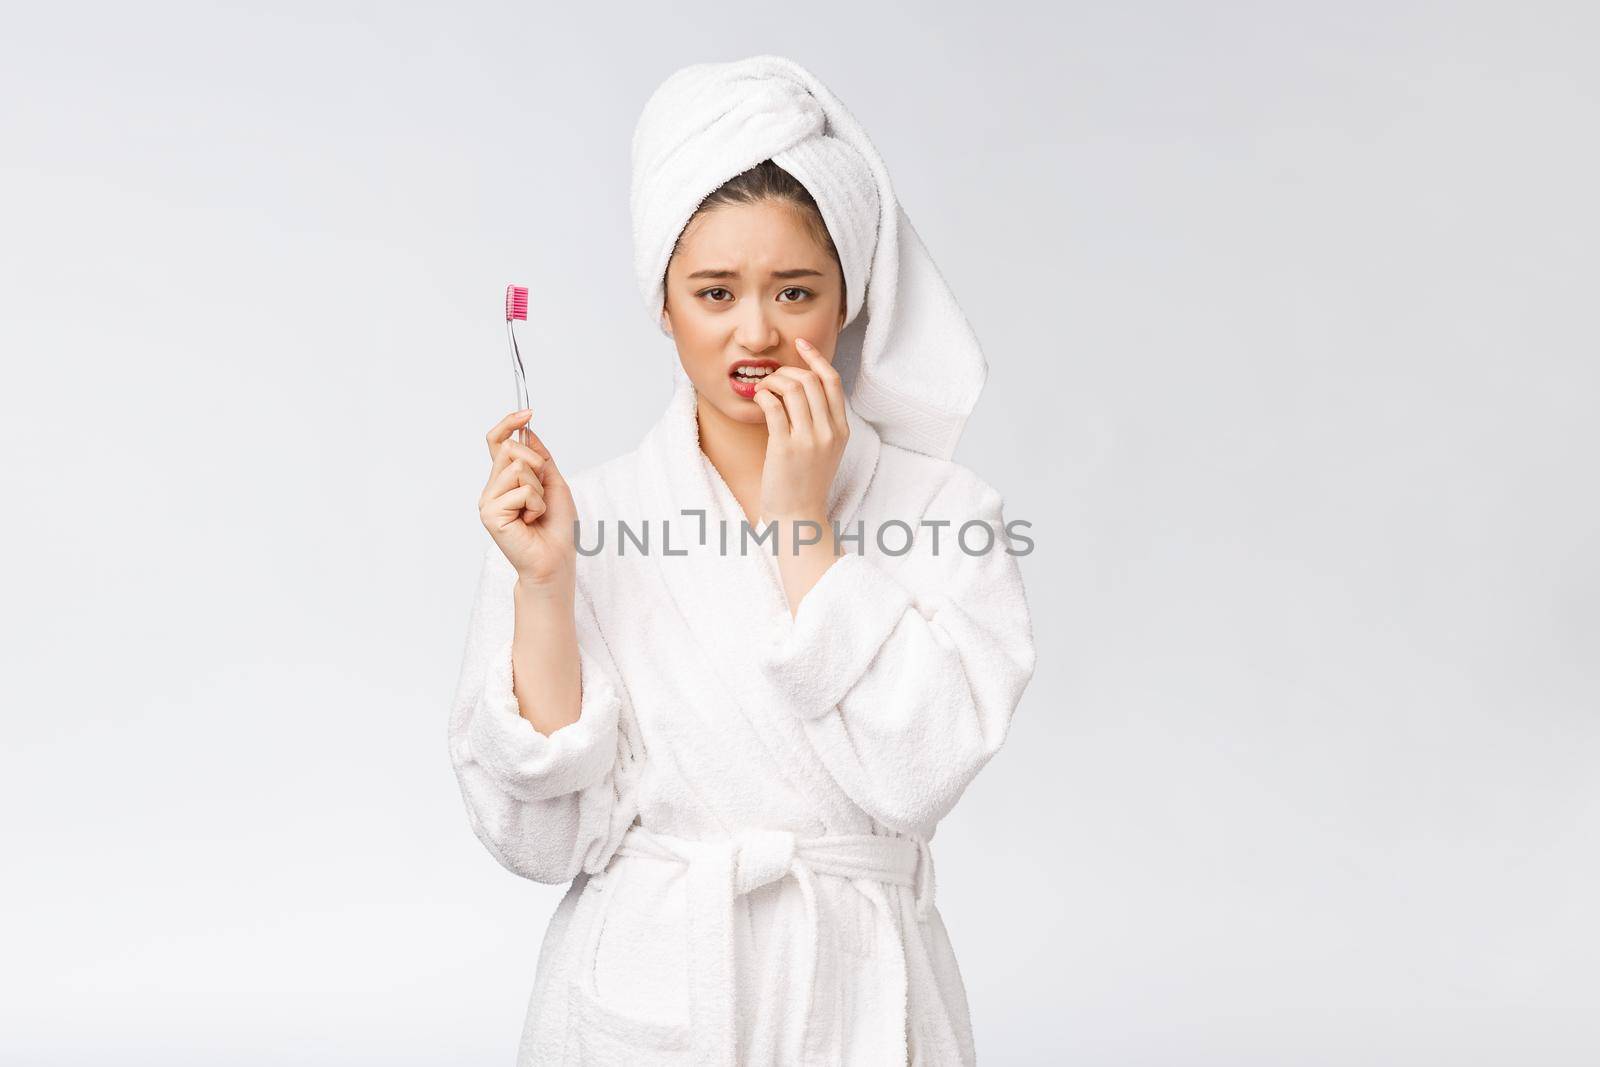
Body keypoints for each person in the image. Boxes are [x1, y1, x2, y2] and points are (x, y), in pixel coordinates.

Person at [448, 55, 1038, 1066]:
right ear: (664, 304)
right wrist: (545, 586)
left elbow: (920, 771)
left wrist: (804, 527)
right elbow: (541, 844)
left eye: (794, 290)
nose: (754, 331)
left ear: (847, 303)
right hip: (650, 1002)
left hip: (859, 999)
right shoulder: (581, 515)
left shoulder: (944, 513)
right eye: (714, 291)